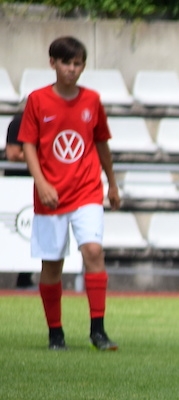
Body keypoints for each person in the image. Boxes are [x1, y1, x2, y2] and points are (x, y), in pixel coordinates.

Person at [19, 36, 120, 351]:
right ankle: (55, 333)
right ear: (53, 63)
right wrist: (41, 183)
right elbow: (28, 145)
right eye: (66, 63)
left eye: (78, 64)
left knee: (93, 251)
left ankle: (98, 331)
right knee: (52, 265)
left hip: (87, 189)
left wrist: (112, 183)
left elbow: (101, 143)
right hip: (51, 194)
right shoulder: (37, 100)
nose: (72, 69)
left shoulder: (92, 100)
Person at [5, 111, 34, 289]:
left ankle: (25, 279)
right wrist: (39, 156)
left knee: (29, 233)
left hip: (36, 183)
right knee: (12, 233)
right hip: (16, 185)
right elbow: (12, 154)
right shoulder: (18, 122)